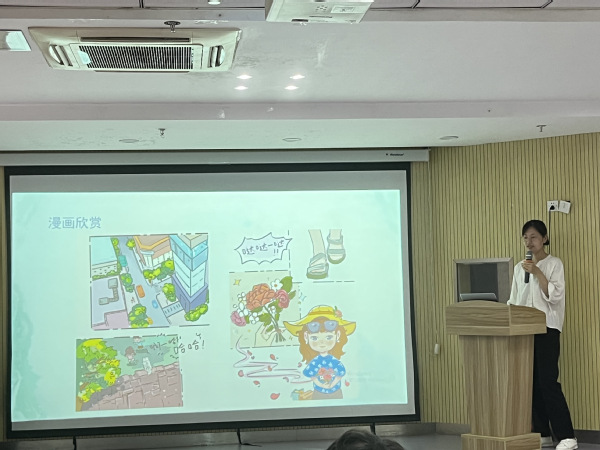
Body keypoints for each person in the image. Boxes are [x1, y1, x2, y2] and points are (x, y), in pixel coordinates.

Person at [507, 220, 577, 450]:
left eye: (534, 237)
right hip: (524, 330)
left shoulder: (554, 263)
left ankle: (567, 436)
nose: (529, 242)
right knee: (531, 382)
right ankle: (543, 432)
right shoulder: (519, 268)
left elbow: (555, 297)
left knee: (547, 381)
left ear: (545, 238)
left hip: (547, 328)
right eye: (525, 237)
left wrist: (537, 272)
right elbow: (514, 300)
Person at [284, 305, 356, 399]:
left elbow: (340, 375)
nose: (322, 342)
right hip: (318, 393)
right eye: (314, 338)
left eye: (328, 337)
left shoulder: (335, 361)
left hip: (336, 392)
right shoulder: (314, 362)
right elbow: (312, 376)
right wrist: (321, 385)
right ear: (306, 337)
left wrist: (332, 385)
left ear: (338, 335)